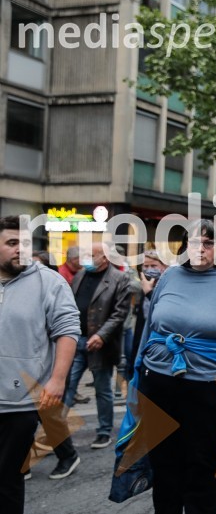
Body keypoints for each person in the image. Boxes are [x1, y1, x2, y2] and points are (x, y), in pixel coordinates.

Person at [131, 219, 216, 513]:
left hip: (207, 386)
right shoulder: (170, 276)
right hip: (158, 382)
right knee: (163, 461)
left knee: (201, 463)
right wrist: (137, 371)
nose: (200, 248)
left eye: (208, 242)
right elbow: (150, 327)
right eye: (194, 242)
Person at [0, 216, 80, 512]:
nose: (20, 250)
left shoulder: (49, 281)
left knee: (8, 477)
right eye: (11, 243)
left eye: (23, 243)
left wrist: (57, 380)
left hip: (21, 402)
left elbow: (68, 330)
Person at [64, 242, 133, 449]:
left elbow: (119, 313)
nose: (87, 259)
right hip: (77, 340)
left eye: (91, 255)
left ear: (104, 257)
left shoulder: (119, 279)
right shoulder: (79, 276)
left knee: (102, 389)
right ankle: (55, 433)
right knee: (67, 386)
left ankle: (104, 431)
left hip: (101, 344)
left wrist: (101, 336)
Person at [127, 249, 169, 380]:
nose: (149, 269)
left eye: (153, 266)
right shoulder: (141, 284)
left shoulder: (168, 285)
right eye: (146, 266)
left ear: (164, 267)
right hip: (142, 336)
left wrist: (149, 293)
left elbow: (164, 312)